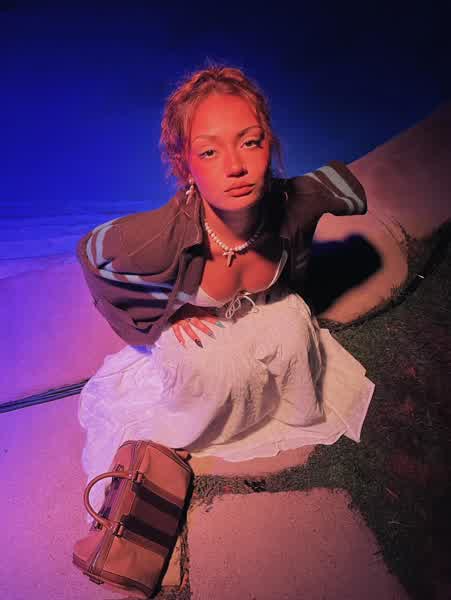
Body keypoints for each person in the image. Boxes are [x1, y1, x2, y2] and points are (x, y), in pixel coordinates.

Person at [76, 64, 375, 517]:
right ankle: (205, 422)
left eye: (250, 142)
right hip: (194, 324)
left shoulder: (291, 203)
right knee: (210, 370)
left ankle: (286, 409)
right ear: (186, 165)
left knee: (294, 335)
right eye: (209, 151)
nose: (236, 167)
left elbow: (337, 186)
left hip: (257, 304)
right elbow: (90, 254)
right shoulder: (159, 238)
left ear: (269, 144)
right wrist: (162, 317)